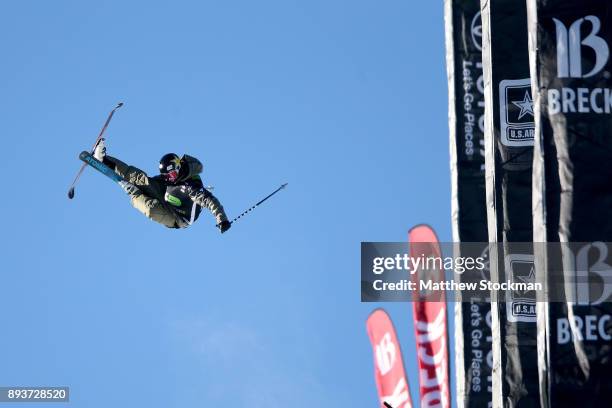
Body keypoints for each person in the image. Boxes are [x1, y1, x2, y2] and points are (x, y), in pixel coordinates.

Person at [93, 139, 231, 233]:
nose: (169, 177)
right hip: (169, 193)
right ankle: (103, 159)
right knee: (141, 179)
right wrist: (147, 184)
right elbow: (154, 181)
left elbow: (210, 201)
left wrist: (222, 220)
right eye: (166, 175)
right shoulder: (170, 179)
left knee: (151, 209)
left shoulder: (191, 185)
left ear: (178, 167)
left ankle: (133, 193)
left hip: (178, 217)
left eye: (170, 174)